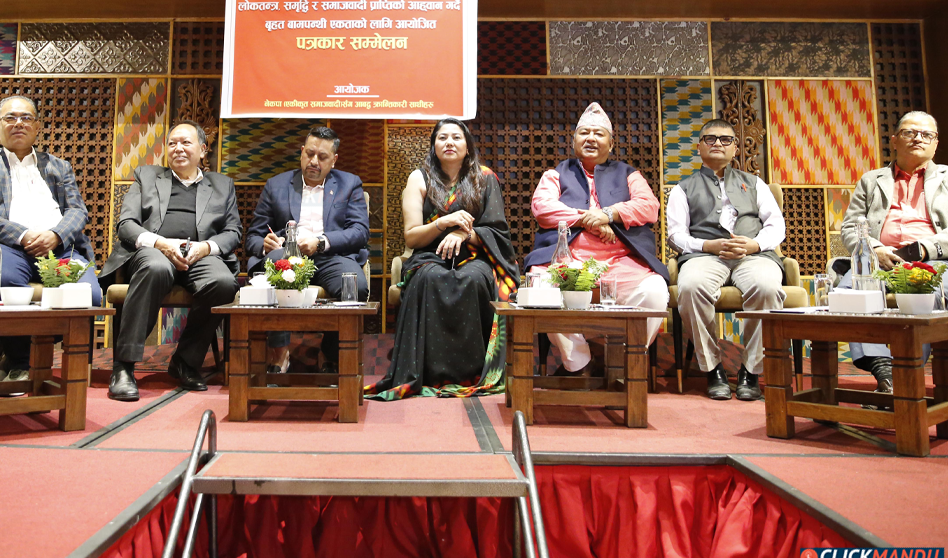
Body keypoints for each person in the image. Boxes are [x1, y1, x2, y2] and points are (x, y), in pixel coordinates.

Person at [365, 118, 517, 400]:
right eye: (442, 137)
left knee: (474, 279)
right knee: (430, 278)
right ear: (433, 145)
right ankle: (429, 373)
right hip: (429, 254)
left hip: (475, 255)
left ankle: (472, 373)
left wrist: (464, 234)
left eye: (456, 137)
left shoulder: (485, 178)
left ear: (468, 147)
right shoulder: (419, 178)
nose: (449, 143)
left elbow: (498, 231)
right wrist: (443, 223)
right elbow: (412, 237)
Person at [0, 95, 102, 387]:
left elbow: (77, 211)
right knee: (6, 283)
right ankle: (20, 359)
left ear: (37, 126)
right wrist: (23, 235)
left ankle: (28, 349)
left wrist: (55, 235)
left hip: (58, 249)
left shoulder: (59, 166)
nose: (18, 123)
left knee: (88, 295)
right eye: (10, 118)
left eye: (26, 118)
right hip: (9, 247)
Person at [99, 121, 241, 399]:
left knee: (223, 283)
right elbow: (126, 224)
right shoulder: (147, 176)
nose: (178, 148)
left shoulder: (222, 185)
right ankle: (124, 366)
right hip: (155, 250)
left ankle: (185, 361)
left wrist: (205, 248)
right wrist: (161, 243)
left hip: (198, 253)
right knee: (156, 268)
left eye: (186, 143)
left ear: (203, 150)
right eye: (172, 143)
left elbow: (233, 231)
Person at [525, 102, 669, 374]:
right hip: (567, 262)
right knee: (541, 289)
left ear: (611, 144)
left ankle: (623, 363)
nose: (590, 138)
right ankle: (579, 364)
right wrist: (589, 219)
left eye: (598, 133)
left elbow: (649, 207)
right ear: (574, 141)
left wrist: (609, 214)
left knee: (654, 292)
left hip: (621, 263)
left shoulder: (629, 174)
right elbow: (542, 208)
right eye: (584, 133)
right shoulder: (556, 173)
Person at [667, 118, 786, 401]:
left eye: (725, 139)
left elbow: (776, 226)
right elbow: (675, 235)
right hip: (705, 256)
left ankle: (751, 371)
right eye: (710, 139)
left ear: (735, 148)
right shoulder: (683, 188)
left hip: (753, 255)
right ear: (699, 147)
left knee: (767, 288)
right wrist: (706, 245)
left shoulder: (755, 184)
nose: (718, 143)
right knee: (691, 287)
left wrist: (754, 244)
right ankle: (713, 368)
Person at [840, 111, 948, 402]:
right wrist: (875, 249)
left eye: (926, 135)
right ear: (894, 140)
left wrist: (925, 248)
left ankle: (904, 373)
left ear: (935, 144)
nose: (918, 139)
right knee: (848, 292)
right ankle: (884, 369)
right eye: (909, 132)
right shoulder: (871, 180)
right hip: (879, 260)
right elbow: (850, 227)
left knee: (925, 290)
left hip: (933, 261)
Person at [246, 127, 370, 373]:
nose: (314, 161)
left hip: (331, 256)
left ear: (334, 160)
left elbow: (359, 231)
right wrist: (264, 244)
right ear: (302, 152)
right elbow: (253, 237)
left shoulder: (349, 184)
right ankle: (280, 352)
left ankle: (330, 353)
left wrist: (321, 242)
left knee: (355, 286)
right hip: (286, 256)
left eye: (322, 157)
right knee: (273, 274)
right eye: (309, 154)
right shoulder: (276, 185)